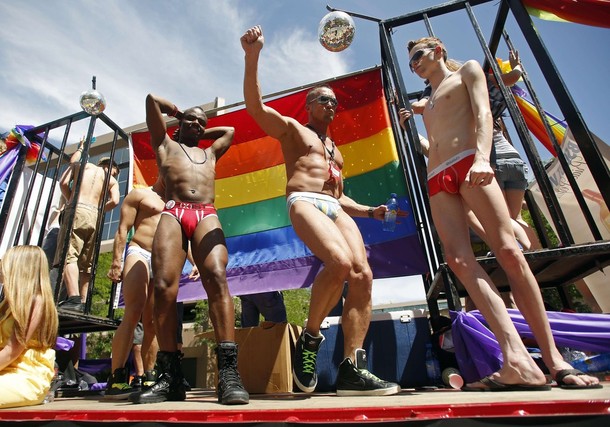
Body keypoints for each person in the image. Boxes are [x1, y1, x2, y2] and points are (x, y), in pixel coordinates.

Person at [402, 36, 600, 390]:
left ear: (438, 50)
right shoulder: (427, 103)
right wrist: (412, 122)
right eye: (410, 60)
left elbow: (483, 112)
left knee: (508, 251)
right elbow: (433, 139)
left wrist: (481, 156)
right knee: (460, 262)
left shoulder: (467, 71)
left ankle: (554, 360)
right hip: (437, 175)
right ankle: (517, 359)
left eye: (418, 55)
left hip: (469, 163)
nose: (414, 63)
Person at [241, 25, 400, 397]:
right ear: (309, 105)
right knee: (339, 263)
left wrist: (370, 211)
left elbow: (339, 197)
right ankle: (311, 339)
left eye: (334, 102)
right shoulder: (294, 130)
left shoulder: (336, 151)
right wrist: (253, 57)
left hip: (334, 206)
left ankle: (351, 368)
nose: (331, 105)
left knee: (363, 275)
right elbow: (255, 107)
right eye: (324, 100)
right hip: (304, 202)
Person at [129, 94, 249, 405]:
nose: (196, 123)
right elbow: (151, 100)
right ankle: (170, 378)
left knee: (217, 276)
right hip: (173, 212)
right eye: (190, 120)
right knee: (164, 286)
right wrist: (180, 116)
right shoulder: (165, 145)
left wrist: (198, 128)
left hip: (206, 213)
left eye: (202, 121)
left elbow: (230, 132)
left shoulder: (210, 153)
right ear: (178, 124)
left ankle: (229, 375)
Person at [104, 180, 164, 399]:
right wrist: (116, 262)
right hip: (139, 251)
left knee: (153, 321)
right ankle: (117, 377)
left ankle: (150, 375)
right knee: (132, 313)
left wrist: (194, 261)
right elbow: (122, 229)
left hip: (162, 260)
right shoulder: (140, 194)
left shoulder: (178, 201)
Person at [54, 139, 120, 312]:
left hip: (77, 209)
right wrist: (99, 208)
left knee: (69, 255)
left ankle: (75, 299)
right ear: (108, 166)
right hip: (94, 215)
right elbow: (115, 200)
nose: (114, 174)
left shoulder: (84, 166)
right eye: (115, 171)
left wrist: (71, 200)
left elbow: (63, 182)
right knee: (87, 262)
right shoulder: (111, 180)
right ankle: (83, 303)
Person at [0, 245, 59, 408]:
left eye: (5, 264)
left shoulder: (35, 302)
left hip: (26, 376)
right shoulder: (8, 304)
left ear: (18, 269)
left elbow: (12, 352)